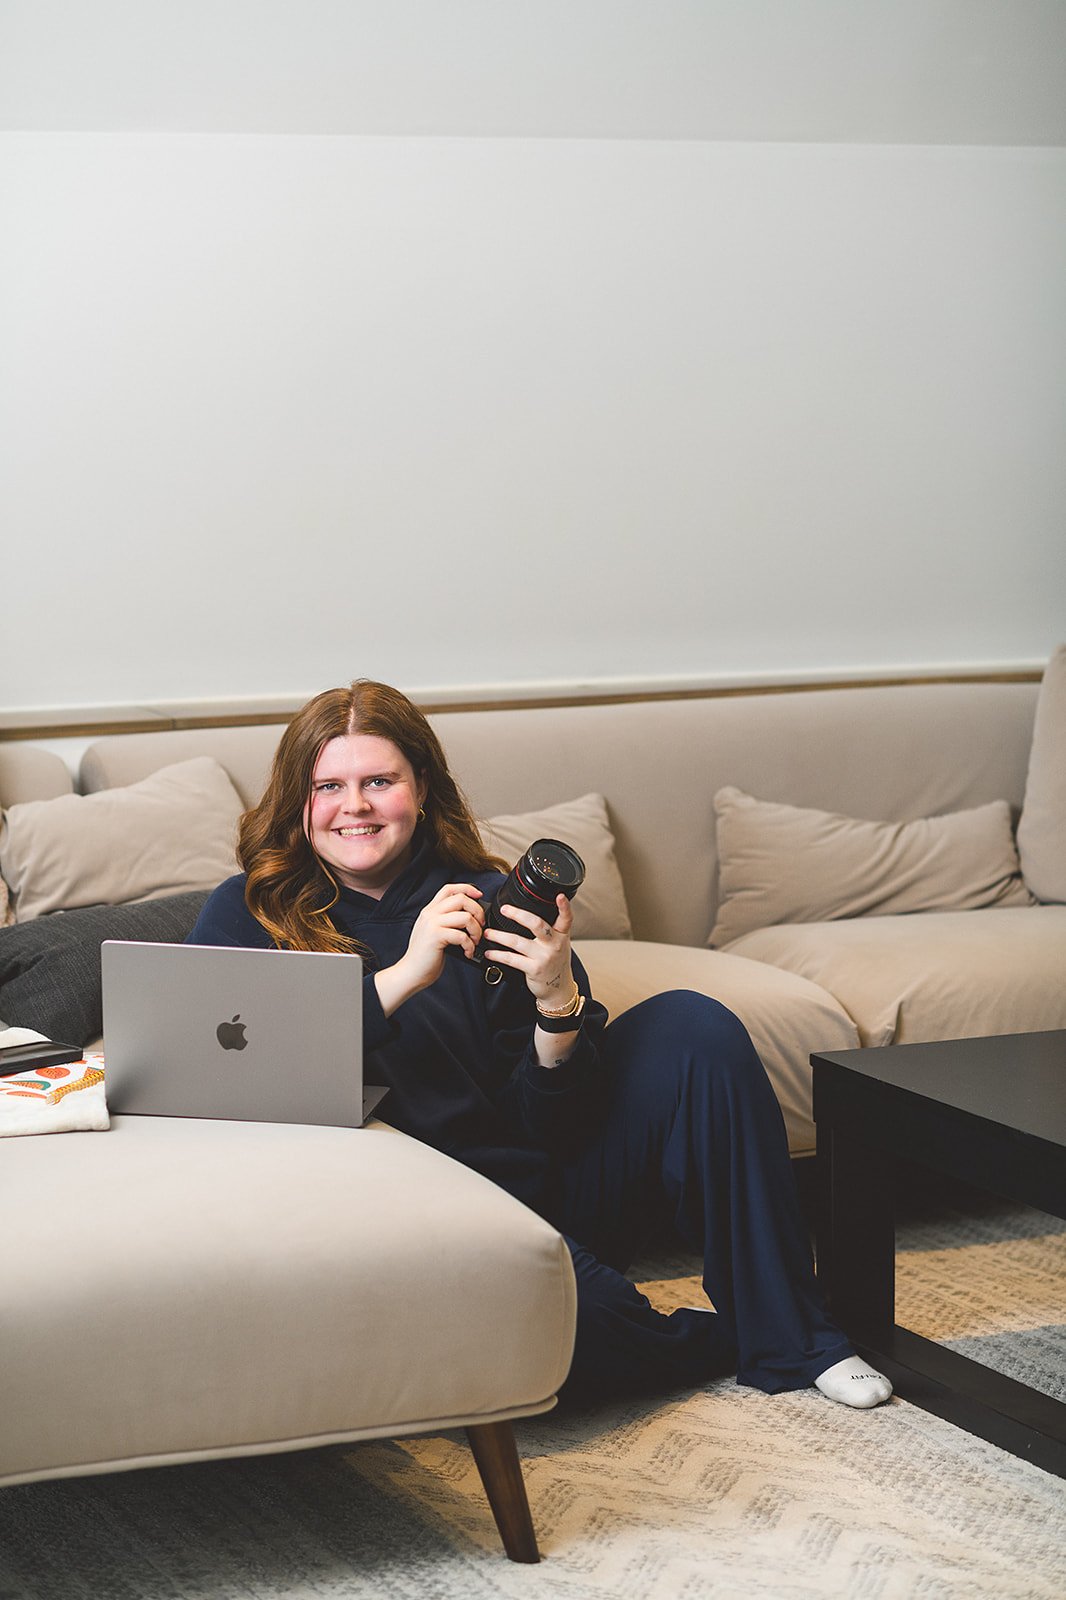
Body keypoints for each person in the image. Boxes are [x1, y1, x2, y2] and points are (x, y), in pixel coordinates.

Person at [187, 680, 892, 1410]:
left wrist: (557, 1001)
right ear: (295, 800)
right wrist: (401, 978)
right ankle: (719, 1335)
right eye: (328, 785)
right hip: (410, 1225)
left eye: (379, 781)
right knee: (562, 1354)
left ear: (421, 788)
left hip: (540, 1189)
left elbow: (557, 1124)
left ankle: (800, 1337)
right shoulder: (248, 912)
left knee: (695, 1026)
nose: (355, 805)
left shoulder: (489, 898)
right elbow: (224, 1078)